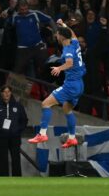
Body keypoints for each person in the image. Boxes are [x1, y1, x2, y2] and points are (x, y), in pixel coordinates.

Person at [28, 19, 86, 148]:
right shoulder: (75, 43)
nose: (56, 35)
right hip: (80, 85)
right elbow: (73, 34)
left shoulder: (67, 50)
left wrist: (59, 68)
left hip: (70, 85)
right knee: (66, 108)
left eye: (57, 33)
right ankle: (72, 137)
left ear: (61, 36)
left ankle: (42, 134)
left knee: (45, 104)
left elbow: (70, 63)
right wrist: (64, 25)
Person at [0, 85, 28, 176]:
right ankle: (3, 180)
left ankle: (17, 181)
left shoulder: (18, 106)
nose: (7, 94)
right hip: (1, 137)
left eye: (8, 91)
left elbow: (24, 120)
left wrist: (18, 130)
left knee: (16, 159)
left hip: (15, 137)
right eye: (4, 92)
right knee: (2, 160)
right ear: (1, 94)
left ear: (11, 93)